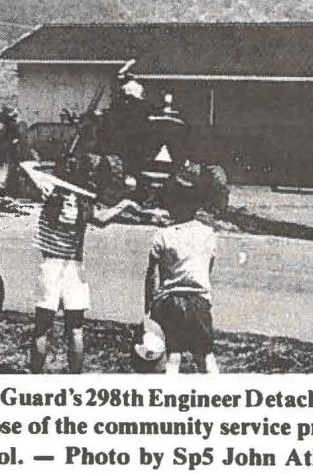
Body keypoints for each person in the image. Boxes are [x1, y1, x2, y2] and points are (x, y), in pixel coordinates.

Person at [26, 160, 140, 374]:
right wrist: (124, 203)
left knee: (41, 329)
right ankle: (75, 376)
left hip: (49, 265)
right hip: (74, 268)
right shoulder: (84, 204)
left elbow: (32, 176)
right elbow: (102, 220)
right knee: (75, 330)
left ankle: (35, 375)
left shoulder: (51, 197)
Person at [144, 173, 219, 374]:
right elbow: (208, 267)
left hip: (170, 301)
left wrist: (148, 309)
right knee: (205, 355)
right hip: (198, 300)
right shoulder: (208, 233)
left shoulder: (162, 235)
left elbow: (152, 275)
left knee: (173, 355)